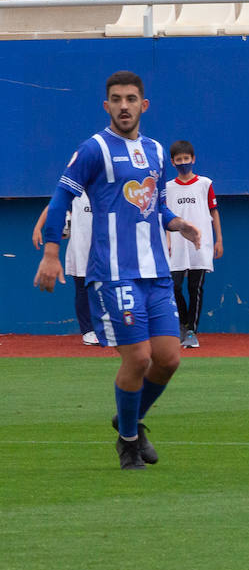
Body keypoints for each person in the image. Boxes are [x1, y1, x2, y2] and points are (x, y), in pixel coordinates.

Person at [33, 70, 202, 471]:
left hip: (157, 273)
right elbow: (62, 199)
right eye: (116, 99)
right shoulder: (94, 149)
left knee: (169, 359)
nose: (123, 106)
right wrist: (52, 253)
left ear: (144, 105)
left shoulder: (158, 152)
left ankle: (127, 419)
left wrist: (177, 223)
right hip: (114, 273)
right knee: (139, 359)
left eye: (130, 99)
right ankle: (128, 441)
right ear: (106, 105)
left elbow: (155, 206)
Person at [165, 140, 223, 348]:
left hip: (201, 244)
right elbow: (165, 217)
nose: (183, 163)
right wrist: (168, 239)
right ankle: (181, 323)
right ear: (172, 162)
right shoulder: (168, 187)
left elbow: (213, 212)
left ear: (193, 159)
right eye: (179, 160)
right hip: (177, 246)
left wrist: (219, 240)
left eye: (186, 159)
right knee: (174, 286)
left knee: (195, 288)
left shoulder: (205, 184)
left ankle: (192, 331)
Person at [32, 192, 97, 346]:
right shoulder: (75, 193)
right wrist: (37, 228)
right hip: (80, 250)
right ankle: (88, 331)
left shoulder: (106, 188)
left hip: (105, 250)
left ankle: (108, 329)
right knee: (82, 289)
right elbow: (54, 206)